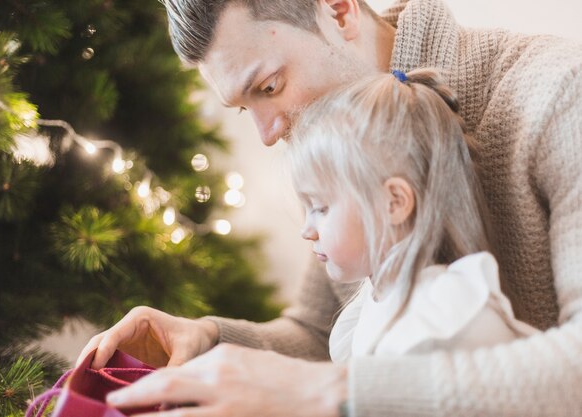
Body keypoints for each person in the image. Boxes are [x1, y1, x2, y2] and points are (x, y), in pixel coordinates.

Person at [78, 0, 582, 415]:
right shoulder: (344, 143)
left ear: (339, 12)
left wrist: (332, 394)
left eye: (269, 88)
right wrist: (206, 338)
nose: (268, 132)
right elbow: (320, 333)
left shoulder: (558, 94)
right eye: (243, 107)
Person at [287, 70, 539, 362]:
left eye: (319, 208)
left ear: (394, 203)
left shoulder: (443, 320)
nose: (307, 230)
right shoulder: (375, 297)